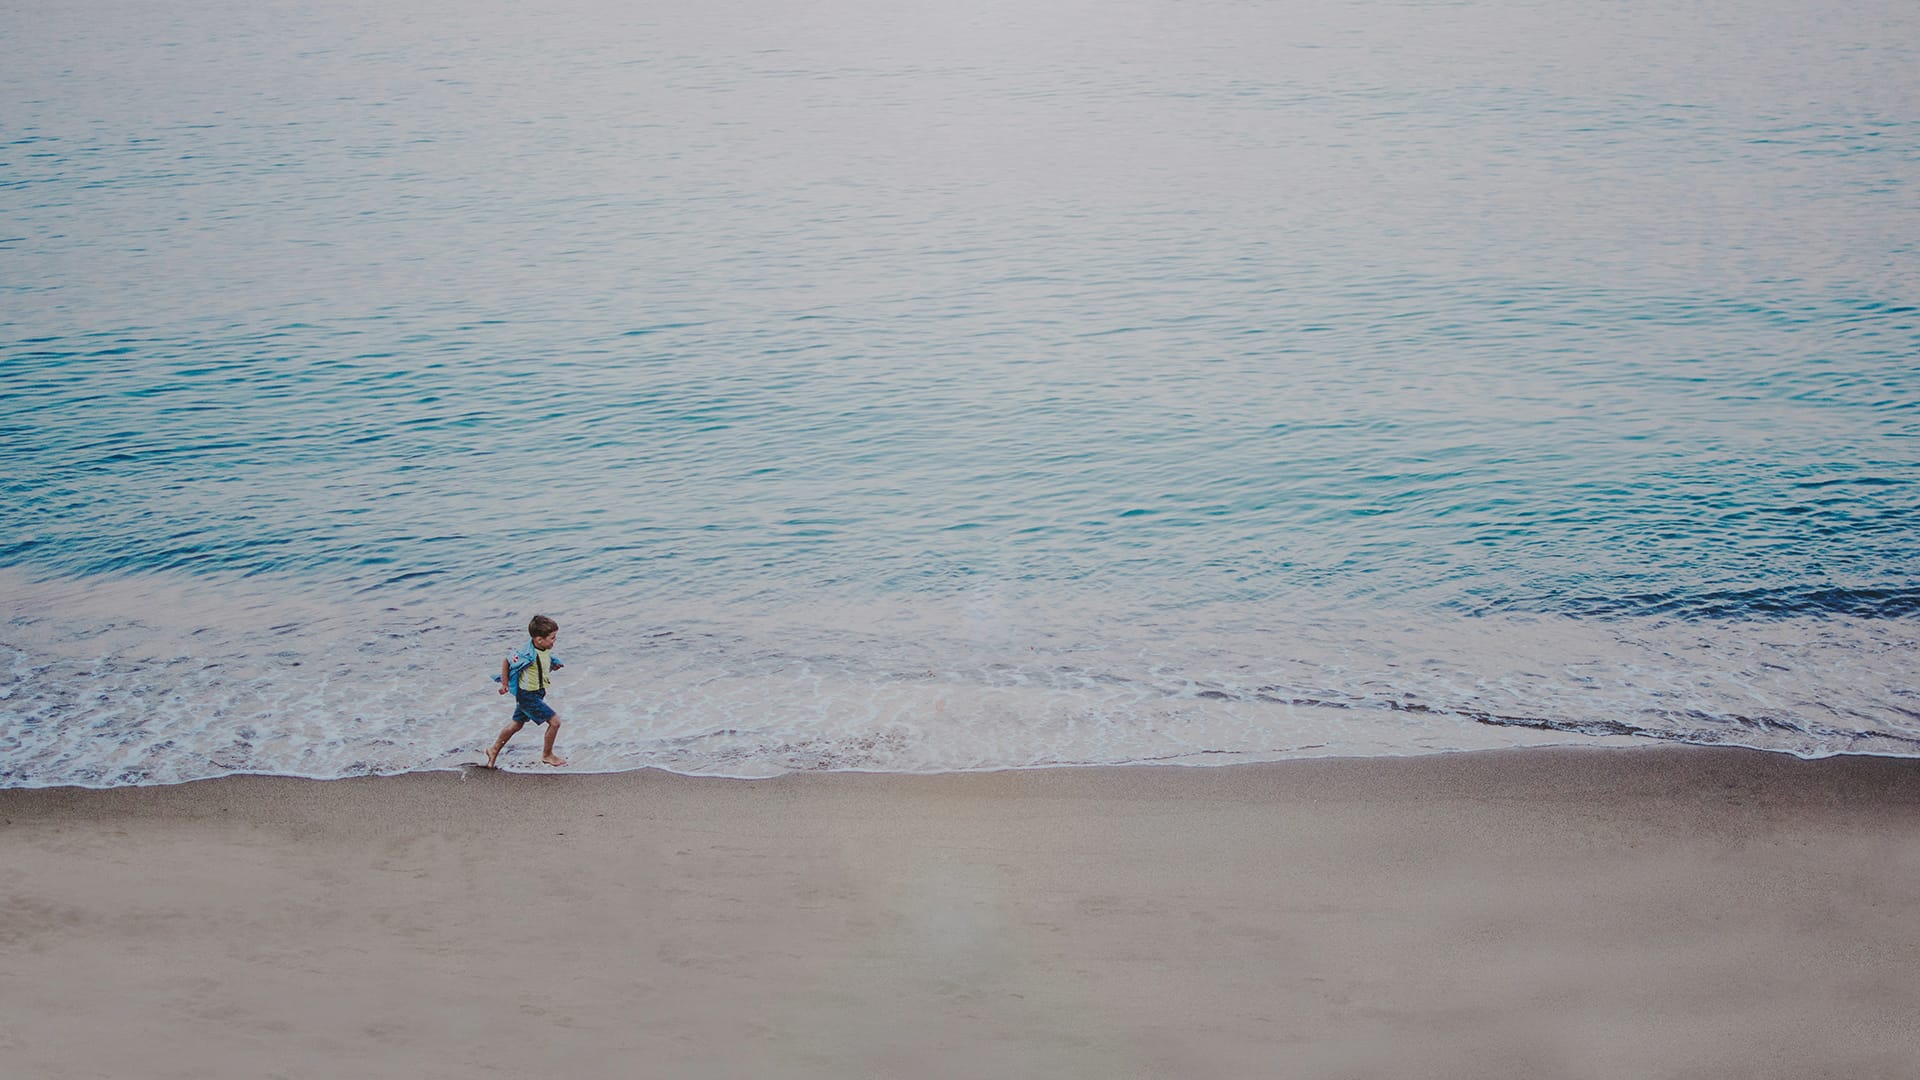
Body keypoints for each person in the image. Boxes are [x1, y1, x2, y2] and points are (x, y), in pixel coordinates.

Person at [486, 614, 569, 767]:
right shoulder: (526, 654)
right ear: (539, 639)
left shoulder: (543, 649)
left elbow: (543, 662)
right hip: (527, 696)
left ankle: (493, 749)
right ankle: (547, 754)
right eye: (552, 638)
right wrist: (504, 684)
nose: (554, 641)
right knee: (555, 722)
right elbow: (507, 660)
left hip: (536, 693)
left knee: (516, 724)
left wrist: (554, 665)